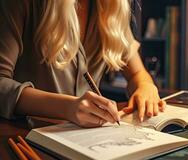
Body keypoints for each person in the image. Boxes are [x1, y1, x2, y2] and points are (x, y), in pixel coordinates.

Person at [0, 0, 166, 128]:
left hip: (86, 144)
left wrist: (146, 86)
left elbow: (137, 74)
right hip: (26, 140)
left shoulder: (109, 9)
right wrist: (67, 108)